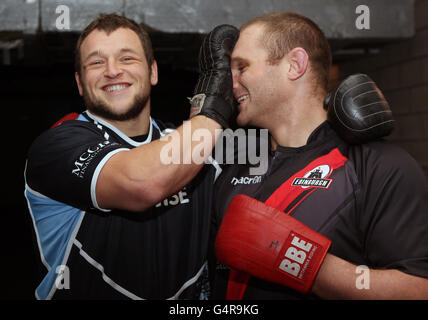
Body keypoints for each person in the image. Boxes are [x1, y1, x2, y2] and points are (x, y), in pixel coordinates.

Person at [209, 11, 428, 299]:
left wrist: (305, 263)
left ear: (294, 65)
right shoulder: (235, 166)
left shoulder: (378, 166)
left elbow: (419, 288)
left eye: (242, 67)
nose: (231, 82)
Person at [24, 13, 239, 300]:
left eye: (127, 59)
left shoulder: (196, 146)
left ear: (153, 72)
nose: (112, 71)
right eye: (96, 62)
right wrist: (212, 106)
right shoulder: (56, 146)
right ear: (79, 82)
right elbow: (141, 181)